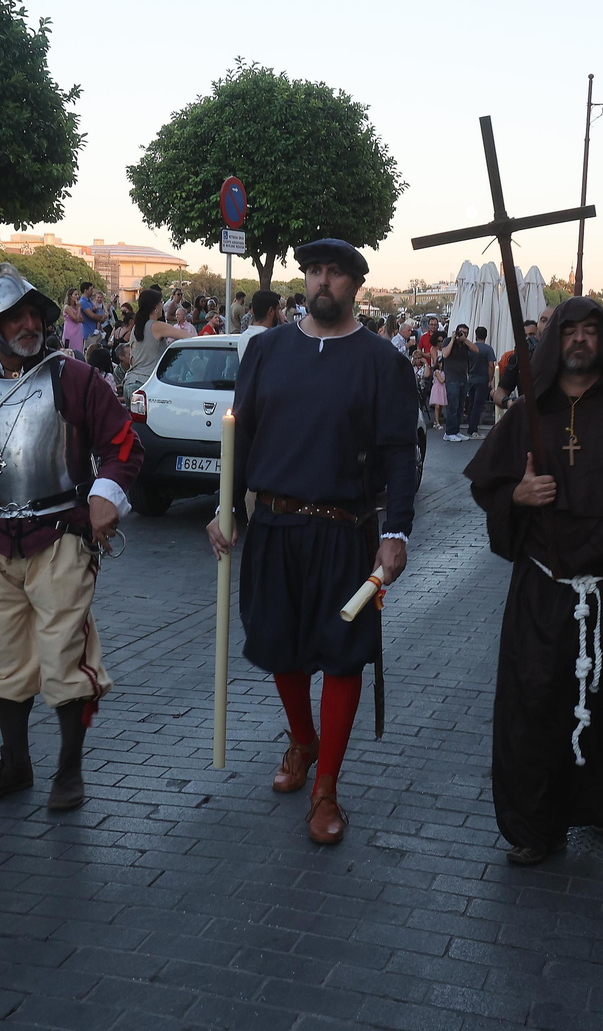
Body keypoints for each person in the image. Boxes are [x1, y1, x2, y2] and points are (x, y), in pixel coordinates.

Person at [464, 297, 603, 865]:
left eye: (591, 330)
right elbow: (487, 487)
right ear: (554, 340)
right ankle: (536, 827)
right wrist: (518, 496)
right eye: (570, 331)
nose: (580, 339)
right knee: (536, 708)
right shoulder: (527, 413)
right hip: (543, 591)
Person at [206, 239, 416, 846]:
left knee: (343, 655)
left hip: (346, 530)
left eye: (336, 274)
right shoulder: (267, 350)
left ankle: (326, 788)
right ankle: (303, 739)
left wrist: (396, 533)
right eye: (315, 271)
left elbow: (400, 454)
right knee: (280, 646)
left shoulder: (382, 361)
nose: (323, 282)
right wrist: (228, 509)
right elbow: (242, 436)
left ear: (356, 285)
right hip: (275, 525)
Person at [0, 271, 142, 810]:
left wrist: (106, 495)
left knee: (66, 656)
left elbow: (123, 444)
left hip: (62, 536)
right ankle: (15, 764)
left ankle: (69, 770)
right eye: (14, 317)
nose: (29, 325)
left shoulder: (75, 378)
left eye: (34, 315)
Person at [124, 287, 194, 398]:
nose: (163, 305)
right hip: (147, 383)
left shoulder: (137, 327)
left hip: (130, 382)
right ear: (155, 307)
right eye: (161, 302)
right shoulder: (156, 326)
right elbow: (188, 336)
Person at [438, 324, 475, 441]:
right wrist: (453, 339)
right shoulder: (448, 341)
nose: (463, 335)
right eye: (461, 332)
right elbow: (445, 354)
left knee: (460, 407)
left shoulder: (465, 344)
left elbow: (476, 350)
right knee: (453, 406)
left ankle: (456, 430)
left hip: (463, 378)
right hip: (452, 378)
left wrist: (465, 340)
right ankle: (449, 432)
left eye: (466, 333)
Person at [464, 326, 493, 438]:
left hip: (471, 378)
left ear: (476, 335)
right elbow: (491, 365)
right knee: (478, 405)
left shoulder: (471, 348)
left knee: (471, 404)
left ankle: (470, 426)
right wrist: (490, 379)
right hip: (482, 379)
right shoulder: (488, 349)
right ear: (486, 336)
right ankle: (473, 429)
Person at [238, 289, 283, 360]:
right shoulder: (273, 340)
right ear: (271, 311)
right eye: (278, 310)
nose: (279, 314)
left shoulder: (243, 338)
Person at [59, 287, 85, 353]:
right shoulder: (67, 307)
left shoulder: (76, 306)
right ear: (70, 296)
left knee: (79, 349)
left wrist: (78, 311)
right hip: (70, 331)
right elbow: (75, 318)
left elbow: (82, 319)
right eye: (75, 295)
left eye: (78, 294)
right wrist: (78, 309)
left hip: (78, 331)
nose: (77, 296)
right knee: (69, 350)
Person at [81, 283, 107, 348]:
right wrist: (102, 317)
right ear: (85, 290)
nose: (92, 291)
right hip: (89, 334)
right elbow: (92, 315)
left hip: (95, 332)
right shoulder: (83, 302)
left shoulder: (89, 301)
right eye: (91, 289)